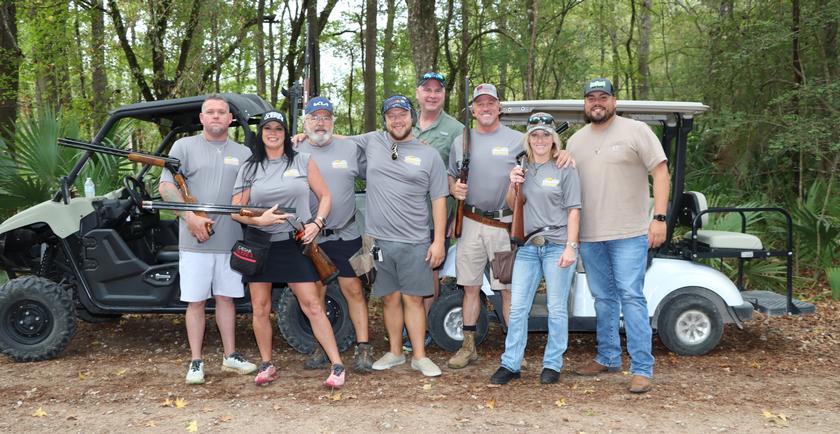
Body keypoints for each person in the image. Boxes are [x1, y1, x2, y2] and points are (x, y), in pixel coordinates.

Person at [567, 78, 670, 394]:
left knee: (631, 296)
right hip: (590, 235)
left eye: (603, 97)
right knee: (604, 298)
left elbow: (661, 173)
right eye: (591, 98)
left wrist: (660, 219)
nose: (597, 102)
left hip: (629, 233)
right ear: (585, 104)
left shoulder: (636, 130)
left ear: (613, 101)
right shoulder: (575, 141)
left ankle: (642, 368)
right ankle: (608, 356)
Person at [230, 110, 346, 388]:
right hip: (260, 244)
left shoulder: (303, 160)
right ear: (261, 133)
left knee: (313, 306)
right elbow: (236, 210)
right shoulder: (249, 167)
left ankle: (337, 365)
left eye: (278, 129)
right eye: (267, 128)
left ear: (286, 133)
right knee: (260, 307)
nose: (272, 133)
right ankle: (267, 364)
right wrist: (258, 219)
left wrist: (317, 223)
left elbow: (325, 196)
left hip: (295, 242)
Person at [158, 94, 257, 385]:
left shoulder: (243, 153)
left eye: (221, 112)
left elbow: (251, 193)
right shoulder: (183, 147)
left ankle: (230, 357)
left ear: (230, 119)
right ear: (202, 118)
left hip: (231, 241)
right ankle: (196, 362)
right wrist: (190, 217)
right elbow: (166, 187)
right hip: (194, 241)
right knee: (196, 302)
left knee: (226, 299)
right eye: (210, 112)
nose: (216, 116)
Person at [350, 95, 448, 377]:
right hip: (378, 241)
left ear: (412, 117)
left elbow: (440, 198)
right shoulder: (372, 142)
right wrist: (300, 137)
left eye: (402, 114)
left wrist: (438, 240)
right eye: (391, 115)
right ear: (384, 120)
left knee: (414, 299)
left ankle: (419, 356)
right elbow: (334, 140)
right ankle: (394, 352)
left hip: (415, 240)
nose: (397, 120)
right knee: (389, 299)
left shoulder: (428, 154)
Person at [490, 113, 581, 385]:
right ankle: (511, 363)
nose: (540, 139)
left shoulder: (565, 167)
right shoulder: (522, 166)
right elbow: (511, 204)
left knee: (556, 308)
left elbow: (574, 211)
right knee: (518, 308)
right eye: (535, 134)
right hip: (528, 247)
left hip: (556, 246)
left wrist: (571, 248)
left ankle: (552, 364)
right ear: (528, 138)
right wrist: (513, 181)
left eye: (545, 134)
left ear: (553, 139)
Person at [446, 83, 523, 369]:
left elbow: (541, 163)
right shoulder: (461, 141)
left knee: (507, 289)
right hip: (471, 222)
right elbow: (450, 176)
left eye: (491, 102)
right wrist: (455, 190)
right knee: (470, 287)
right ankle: (468, 347)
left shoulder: (519, 140)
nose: (486, 107)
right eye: (480, 103)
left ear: (499, 107)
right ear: (473, 110)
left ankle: (513, 351)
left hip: (503, 224)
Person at [295, 96, 373, 373]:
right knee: (317, 293)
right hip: (311, 237)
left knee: (355, 290)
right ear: (305, 121)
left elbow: (379, 164)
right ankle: (322, 347)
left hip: (349, 232)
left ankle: (364, 349)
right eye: (315, 117)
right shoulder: (294, 147)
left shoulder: (349, 147)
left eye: (326, 117)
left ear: (333, 122)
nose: (320, 122)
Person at [410, 71, 465, 349]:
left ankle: (427, 325)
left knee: (428, 272)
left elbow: (463, 175)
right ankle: (412, 325)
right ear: (418, 93)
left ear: (444, 95)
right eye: (427, 89)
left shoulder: (456, 130)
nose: (432, 95)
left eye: (437, 90)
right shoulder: (402, 124)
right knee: (407, 272)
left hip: (435, 217)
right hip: (402, 217)